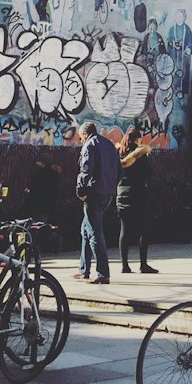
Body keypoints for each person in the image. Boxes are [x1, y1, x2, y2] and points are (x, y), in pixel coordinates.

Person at [74, 121, 120, 284]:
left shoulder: (89, 145)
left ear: (85, 134)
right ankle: (84, 269)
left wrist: (81, 191)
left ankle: (102, 273)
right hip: (108, 192)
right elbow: (118, 170)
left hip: (94, 193)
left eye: (80, 138)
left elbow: (86, 170)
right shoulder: (109, 145)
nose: (80, 141)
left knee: (94, 232)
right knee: (85, 229)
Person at [116, 127, 157, 274]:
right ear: (138, 140)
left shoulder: (119, 152)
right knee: (143, 230)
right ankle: (143, 264)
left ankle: (124, 265)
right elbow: (149, 173)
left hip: (122, 194)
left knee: (124, 231)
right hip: (138, 195)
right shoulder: (140, 154)